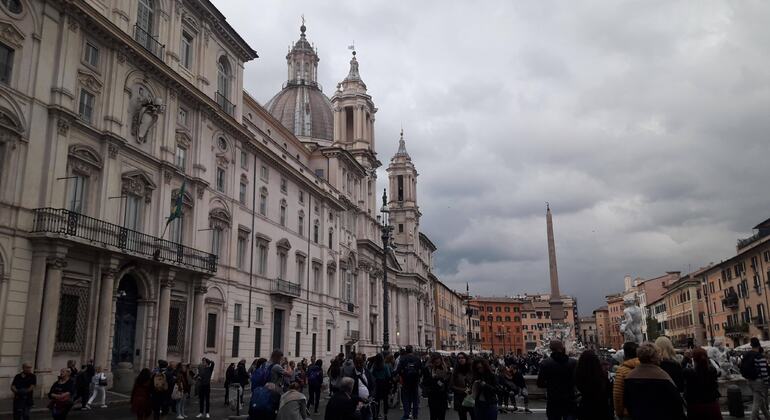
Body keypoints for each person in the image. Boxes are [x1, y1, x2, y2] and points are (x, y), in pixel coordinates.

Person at [623, 343, 685, 420]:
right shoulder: (663, 376)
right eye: (658, 354)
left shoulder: (629, 376)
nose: (660, 357)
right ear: (654, 358)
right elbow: (676, 403)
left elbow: (627, 403)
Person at [537, 340, 578, 420]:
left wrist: (551, 384)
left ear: (551, 349)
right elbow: (577, 380)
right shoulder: (573, 362)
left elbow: (540, 383)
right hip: (569, 401)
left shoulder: (545, 363)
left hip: (553, 401)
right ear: (563, 348)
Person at [683, 347, 722, 420]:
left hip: (695, 406)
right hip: (712, 404)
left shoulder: (689, 372)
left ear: (693, 359)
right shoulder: (712, 371)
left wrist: (686, 358)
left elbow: (681, 370)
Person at [575, 350, 612, 420]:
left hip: (586, 408)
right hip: (602, 408)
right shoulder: (601, 375)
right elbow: (608, 392)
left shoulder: (579, 374)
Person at [740, 337, 770, 420]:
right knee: (756, 403)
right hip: (759, 382)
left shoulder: (747, 355)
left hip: (749, 380)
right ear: (759, 345)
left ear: (751, 345)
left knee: (761, 401)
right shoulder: (760, 356)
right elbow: (764, 372)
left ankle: (768, 417)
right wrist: (767, 382)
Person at [612, 341, 639, 419]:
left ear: (624, 355)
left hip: (629, 413)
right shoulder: (646, 366)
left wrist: (619, 413)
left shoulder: (621, 371)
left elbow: (617, 395)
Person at [395, 345, 422, 420]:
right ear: (412, 350)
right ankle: (415, 415)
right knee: (415, 399)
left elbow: (398, 370)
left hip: (406, 381)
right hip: (415, 381)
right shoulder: (417, 359)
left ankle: (407, 414)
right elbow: (421, 369)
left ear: (406, 351)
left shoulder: (403, 359)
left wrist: (397, 375)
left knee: (406, 398)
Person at [422, 353, 450, 420]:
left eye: (438, 359)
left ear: (441, 359)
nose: (437, 361)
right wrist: (433, 377)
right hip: (432, 395)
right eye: (435, 360)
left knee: (442, 416)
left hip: (442, 395)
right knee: (433, 415)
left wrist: (445, 378)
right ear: (432, 360)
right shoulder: (427, 369)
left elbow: (448, 382)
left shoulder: (445, 368)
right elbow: (424, 382)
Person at [450, 352, 475, 420]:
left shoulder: (471, 370)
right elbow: (451, 386)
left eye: (462, 358)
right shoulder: (455, 371)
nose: (461, 359)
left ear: (466, 359)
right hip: (460, 397)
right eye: (459, 358)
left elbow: (475, 382)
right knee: (462, 417)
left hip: (471, 396)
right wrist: (463, 390)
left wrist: (471, 389)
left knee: (474, 416)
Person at [371, 354, 392, 420]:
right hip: (384, 384)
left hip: (377, 384)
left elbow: (371, 374)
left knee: (377, 400)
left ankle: (376, 414)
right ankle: (385, 415)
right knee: (385, 400)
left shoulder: (374, 366)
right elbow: (388, 375)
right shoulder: (385, 366)